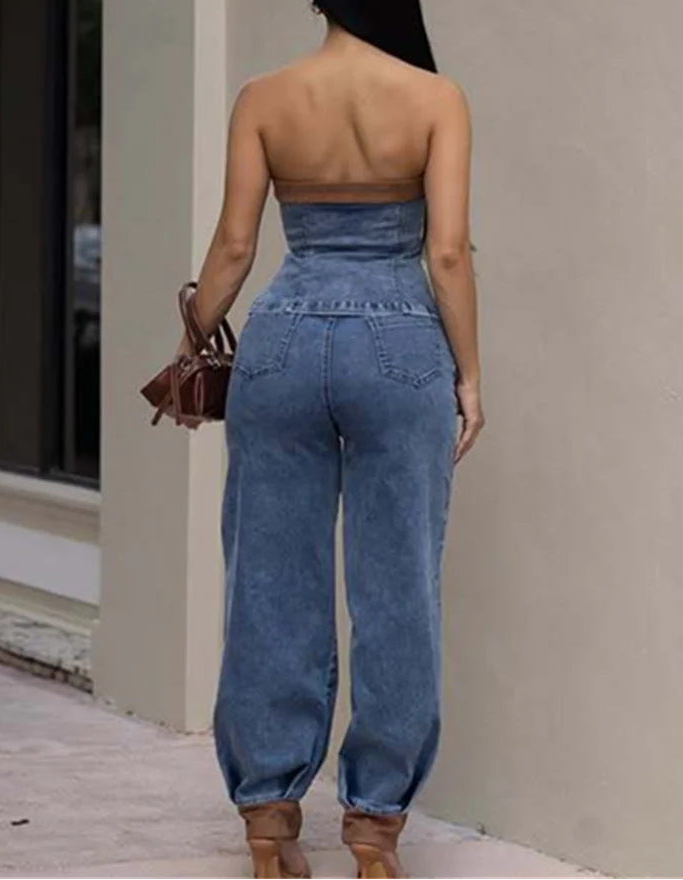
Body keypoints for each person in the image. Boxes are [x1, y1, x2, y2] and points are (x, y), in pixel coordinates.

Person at [178, 1, 484, 877]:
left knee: (269, 583)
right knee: (398, 589)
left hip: (283, 337)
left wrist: (192, 339)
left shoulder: (263, 98)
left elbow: (235, 246)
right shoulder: (436, 98)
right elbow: (448, 254)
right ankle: (375, 832)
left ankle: (269, 823)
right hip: (400, 343)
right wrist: (468, 375)